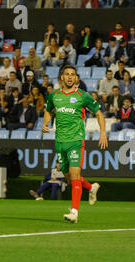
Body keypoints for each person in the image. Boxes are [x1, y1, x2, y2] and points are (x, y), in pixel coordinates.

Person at [43, 65, 107, 223]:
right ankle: (91, 188)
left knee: (75, 175)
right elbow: (47, 110)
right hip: (60, 142)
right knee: (70, 179)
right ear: (62, 78)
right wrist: (46, 123)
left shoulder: (82, 96)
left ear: (76, 78)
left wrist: (103, 133)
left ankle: (74, 212)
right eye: (67, 74)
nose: (70, 77)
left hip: (76, 141)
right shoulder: (54, 95)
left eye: (73, 74)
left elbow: (99, 114)